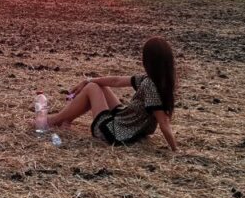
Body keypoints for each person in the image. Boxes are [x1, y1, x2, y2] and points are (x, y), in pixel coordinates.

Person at [43, 36, 178, 151]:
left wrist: (175, 150)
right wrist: (87, 80)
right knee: (99, 85)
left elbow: (163, 123)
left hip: (113, 133)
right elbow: (117, 81)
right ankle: (65, 120)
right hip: (125, 123)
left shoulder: (150, 85)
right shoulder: (159, 82)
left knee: (92, 87)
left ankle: (54, 120)